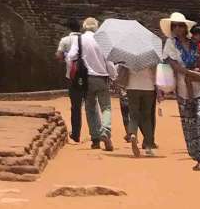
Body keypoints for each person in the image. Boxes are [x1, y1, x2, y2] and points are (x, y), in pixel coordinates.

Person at [160, 12, 200, 170]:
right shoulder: (170, 44)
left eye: (180, 25)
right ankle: (198, 159)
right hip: (184, 89)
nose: (178, 28)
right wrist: (194, 74)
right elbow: (174, 66)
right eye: (175, 25)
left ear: (186, 27)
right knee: (190, 124)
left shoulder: (197, 42)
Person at [70, 17, 115, 150]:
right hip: (102, 78)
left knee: (90, 108)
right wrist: (113, 76)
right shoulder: (103, 40)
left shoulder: (79, 39)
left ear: (84, 26)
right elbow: (109, 62)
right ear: (96, 27)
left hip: (86, 79)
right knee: (105, 107)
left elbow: (71, 56)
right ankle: (105, 131)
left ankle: (95, 139)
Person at [115, 47, 157, 158]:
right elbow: (155, 73)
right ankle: (148, 146)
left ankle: (133, 134)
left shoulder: (128, 54)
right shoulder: (151, 55)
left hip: (132, 87)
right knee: (147, 117)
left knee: (133, 116)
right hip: (148, 87)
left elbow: (121, 70)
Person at [55, 20, 84, 143]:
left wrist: (67, 58)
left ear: (69, 29)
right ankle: (97, 135)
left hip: (72, 76)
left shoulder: (65, 40)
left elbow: (59, 56)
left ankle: (76, 133)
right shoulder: (86, 40)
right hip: (88, 75)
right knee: (92, 106)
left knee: (75, 106)